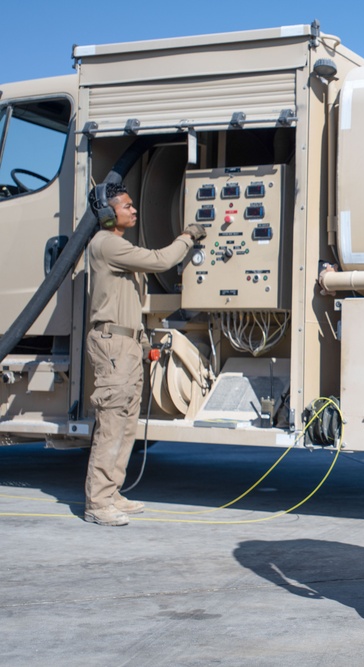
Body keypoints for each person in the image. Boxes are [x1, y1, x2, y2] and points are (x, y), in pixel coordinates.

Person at [83, 182, 205, 526]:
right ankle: (97, 501)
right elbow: (159, 260)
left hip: (127, 344)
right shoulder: (107, 244)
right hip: (113, 345)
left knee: (126, 422)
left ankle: (111, 493)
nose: (134, 211)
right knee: (111, 423)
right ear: (108, 215)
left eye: (134, 206)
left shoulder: (118, 244)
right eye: (127, 207)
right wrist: (187, 236)